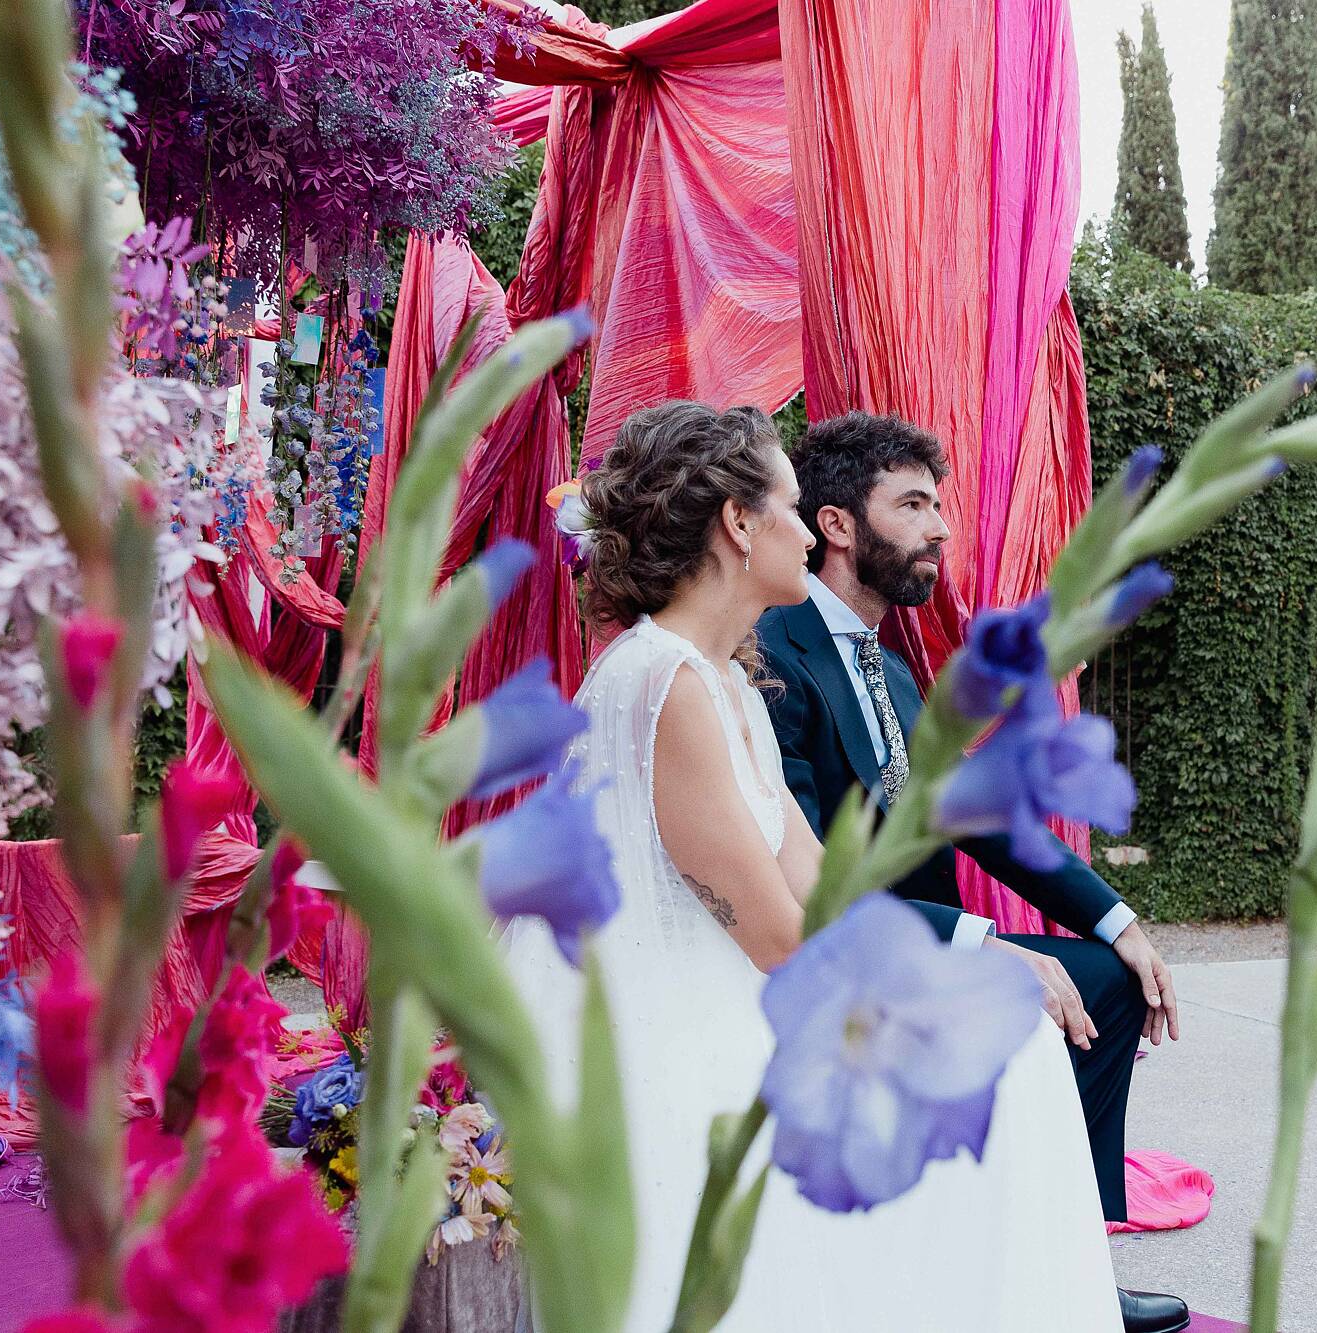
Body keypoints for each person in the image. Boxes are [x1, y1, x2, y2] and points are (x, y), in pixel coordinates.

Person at [505, 402, 1123, 1331]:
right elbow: (778, 936)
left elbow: (819, 876)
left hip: (752, 984)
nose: (804, 531)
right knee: (1001, 1047)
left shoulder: (729, 682)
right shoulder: (662, 682)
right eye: (791, 508)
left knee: (1014, 1037)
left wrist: (977, 955)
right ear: (738, 523)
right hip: (679, 1027)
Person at [756, 412, 1188, 1333]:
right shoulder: (774, 654)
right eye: (913, 504)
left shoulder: (897, 669)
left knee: (1108, 978)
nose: (941, 527)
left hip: (921, 944)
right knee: (1044, 988)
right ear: (837, 525)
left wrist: (1118, 920)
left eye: (939, 504)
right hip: (831, 958)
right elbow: (803, 871)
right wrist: (981, 940)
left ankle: (1071, 1256)